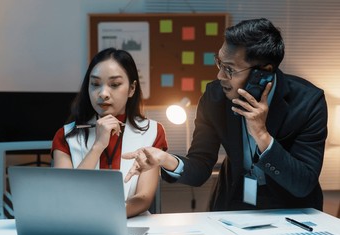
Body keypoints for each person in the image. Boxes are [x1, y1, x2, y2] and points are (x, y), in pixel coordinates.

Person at [123, 18, 327, 211]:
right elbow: (200, 168)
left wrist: (262, 135)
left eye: (229, 69)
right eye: (219, 63)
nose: (219, 76)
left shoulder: (308, 102)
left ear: (263, 72)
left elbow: (303, 183)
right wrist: (165, 159)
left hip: (294, 208)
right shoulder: (215, 97)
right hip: (234, 202)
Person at [52, 48, 168, 218]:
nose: (103, 94)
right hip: (78, 224)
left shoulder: (153, 131)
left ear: (132, 89)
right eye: (95, 84)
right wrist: (98, 146)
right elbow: (66, 195)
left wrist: (108, 216)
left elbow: (143, 197)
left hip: (131, 222)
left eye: (114, 85)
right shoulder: (66, 135)